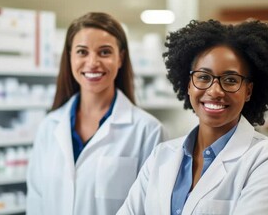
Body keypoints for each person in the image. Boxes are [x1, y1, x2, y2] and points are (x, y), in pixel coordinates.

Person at [117, 19, 268, 215]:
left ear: (248, 91)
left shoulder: (267, 159)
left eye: (230, 80)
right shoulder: (161, 155)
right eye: (203, 77)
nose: (215, 91)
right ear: (188, 84)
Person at [26, 12, 165, 215]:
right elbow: (36, 202)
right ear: (70, 57)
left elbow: (152, 208)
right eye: (82, 52)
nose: (92, 62)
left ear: (121, 58)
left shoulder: (148, 131)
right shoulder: (49, 126)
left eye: (104, 52)